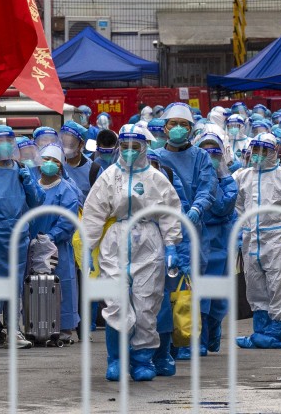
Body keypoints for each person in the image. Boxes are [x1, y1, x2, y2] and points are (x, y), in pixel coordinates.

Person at [82, 124, 183, 381]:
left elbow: (171, 213)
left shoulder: (156, 178)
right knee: (115, 303)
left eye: (134, 147)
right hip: (116, 240)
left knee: (147, 303)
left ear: (144, 148)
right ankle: (116, 358)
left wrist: (172, 245)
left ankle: (142, 359)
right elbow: (94, 213)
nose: (128, 152)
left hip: (149, 242)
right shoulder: (109, 176)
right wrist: (88, 247)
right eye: (124, 146)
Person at [154, 102, 219, 371]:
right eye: (173, 124)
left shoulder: (201, 158)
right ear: (164, 127)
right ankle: (164, 344)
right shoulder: (155, 157)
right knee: (161, 291)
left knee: (192, 288)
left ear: (191, 129)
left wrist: (196, 208)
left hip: (192, 232)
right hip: (161, 232)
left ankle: (192, 339)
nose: (178, 129)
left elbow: (208, 186)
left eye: (184, 125)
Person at [233, 133, 281, 349]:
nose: (259, 155)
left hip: (276, 238)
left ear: (274, 153)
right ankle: (260, 331)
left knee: (279, 283)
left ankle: (276, 332)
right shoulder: (243, 176)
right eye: (256, 150)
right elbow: (238, 204)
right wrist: (245, 225)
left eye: (265, 150)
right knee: (255, 283)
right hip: (251, 237)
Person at [0, 126, 42, 349]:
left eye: (10, 140)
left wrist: (28, 182)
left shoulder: (20, 170)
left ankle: (13, 329)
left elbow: (37, 202)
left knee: (15, 285)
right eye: (1, 141)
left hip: (17, 234)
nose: (7, 144)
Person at [30, 144, 81, 341]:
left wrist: (51, 237)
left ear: (60, 166)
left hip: (58, 247)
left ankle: (65, 328)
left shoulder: (66, 190)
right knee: (35, 286)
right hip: (33, 247)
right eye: (45, 160)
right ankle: (36, 323)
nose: (49, 164)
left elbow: (68, 220)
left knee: (62, 285)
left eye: (54, 161)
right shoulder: (32, 186)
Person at [194, 132, 237, 356]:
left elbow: (223, 206)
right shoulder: (194, 176)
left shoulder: (228, 180)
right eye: (205, 152)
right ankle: (199, 337)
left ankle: (214, 330)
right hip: (199, 236)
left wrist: (220, 175)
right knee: (200, 291)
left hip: (221, 238)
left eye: (215, 152)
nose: (210, 156)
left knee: (218, 294)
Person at [59, 121, 96, 199]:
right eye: (63, 143)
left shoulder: (94, 170)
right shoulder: (56, 165)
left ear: (81, 144)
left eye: (71, 144)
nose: (66, 148)